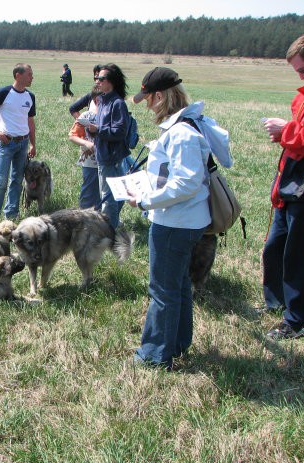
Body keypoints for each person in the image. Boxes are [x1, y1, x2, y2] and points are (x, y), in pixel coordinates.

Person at [127, 67, 211, 369]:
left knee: (162, 289)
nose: (148, 105)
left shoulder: (182, 134)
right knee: (176, 286)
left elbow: (186, 183)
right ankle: (176, 343)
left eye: (149, 99)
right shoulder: (184, 127)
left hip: (175, 223)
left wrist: (146, 199)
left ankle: (154, 355)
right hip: (182, 220)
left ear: (160, 96)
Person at [261, 33, 304, 340]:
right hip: (290, 183)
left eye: (303, 70)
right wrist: (284, 134)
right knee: (275, 247)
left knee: (298, 255)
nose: (301, 77)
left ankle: (295, 319)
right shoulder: (303, 97)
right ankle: (275, 301)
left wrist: (286, 130)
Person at [0, 63, 36, 224]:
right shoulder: (4, 93)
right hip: (7, 144)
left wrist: (33, 144)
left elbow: (30, 122)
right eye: (29, 74)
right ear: (18, 75)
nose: (32, 77)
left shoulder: (30, 97)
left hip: (23, 143)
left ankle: (11, 213)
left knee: (17, 179)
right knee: (1, 180)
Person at [89, 63, 130, 228]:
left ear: (111, 81)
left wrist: (98, 130)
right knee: (116, 195)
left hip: (110, 157)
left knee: (108, 198)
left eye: (101, 78)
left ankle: (108, 233)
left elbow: (120, 131)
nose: (97, 81)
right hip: (103, 155)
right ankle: (112, 225)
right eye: (97, 78)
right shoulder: (102, 101)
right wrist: (92, 131)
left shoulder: (117, 103)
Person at [68, 108, 101, 209]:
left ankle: (107, 216)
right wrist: (86, 143)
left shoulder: (110, 113)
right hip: (89, 161)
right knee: (89, 189)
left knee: (106, 191)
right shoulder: (87, 116)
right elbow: (72, 136)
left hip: (109, 160)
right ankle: (83, 217)